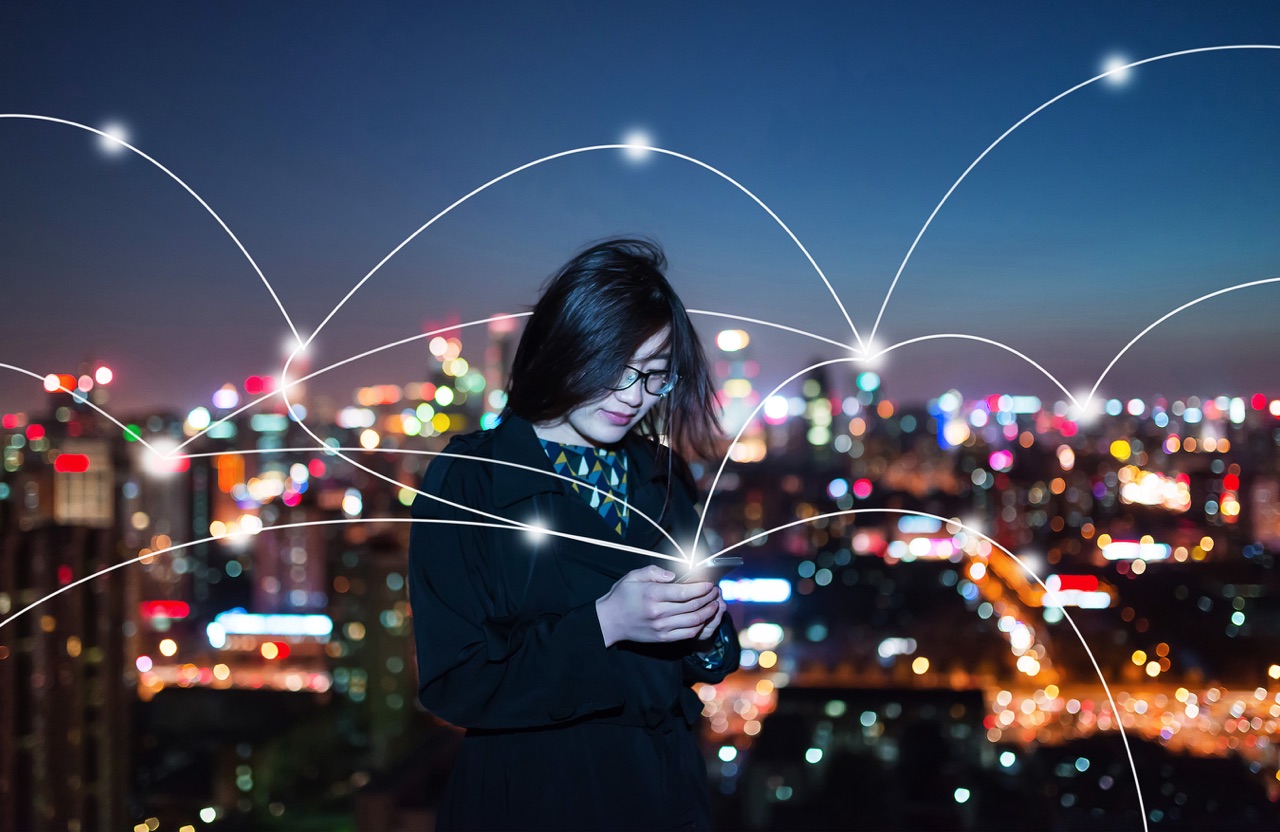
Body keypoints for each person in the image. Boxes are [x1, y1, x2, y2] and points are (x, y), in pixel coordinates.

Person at [407, 238, 740, 831]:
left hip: (665, 795)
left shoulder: (660, 472)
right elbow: (455, 684)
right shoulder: (470, 480)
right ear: (566, 348)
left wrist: (706, 624)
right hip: (533, 799)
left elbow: (708, 659)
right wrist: (605, 624)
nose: (633, 396)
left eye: (655, 377)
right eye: (615, 368)